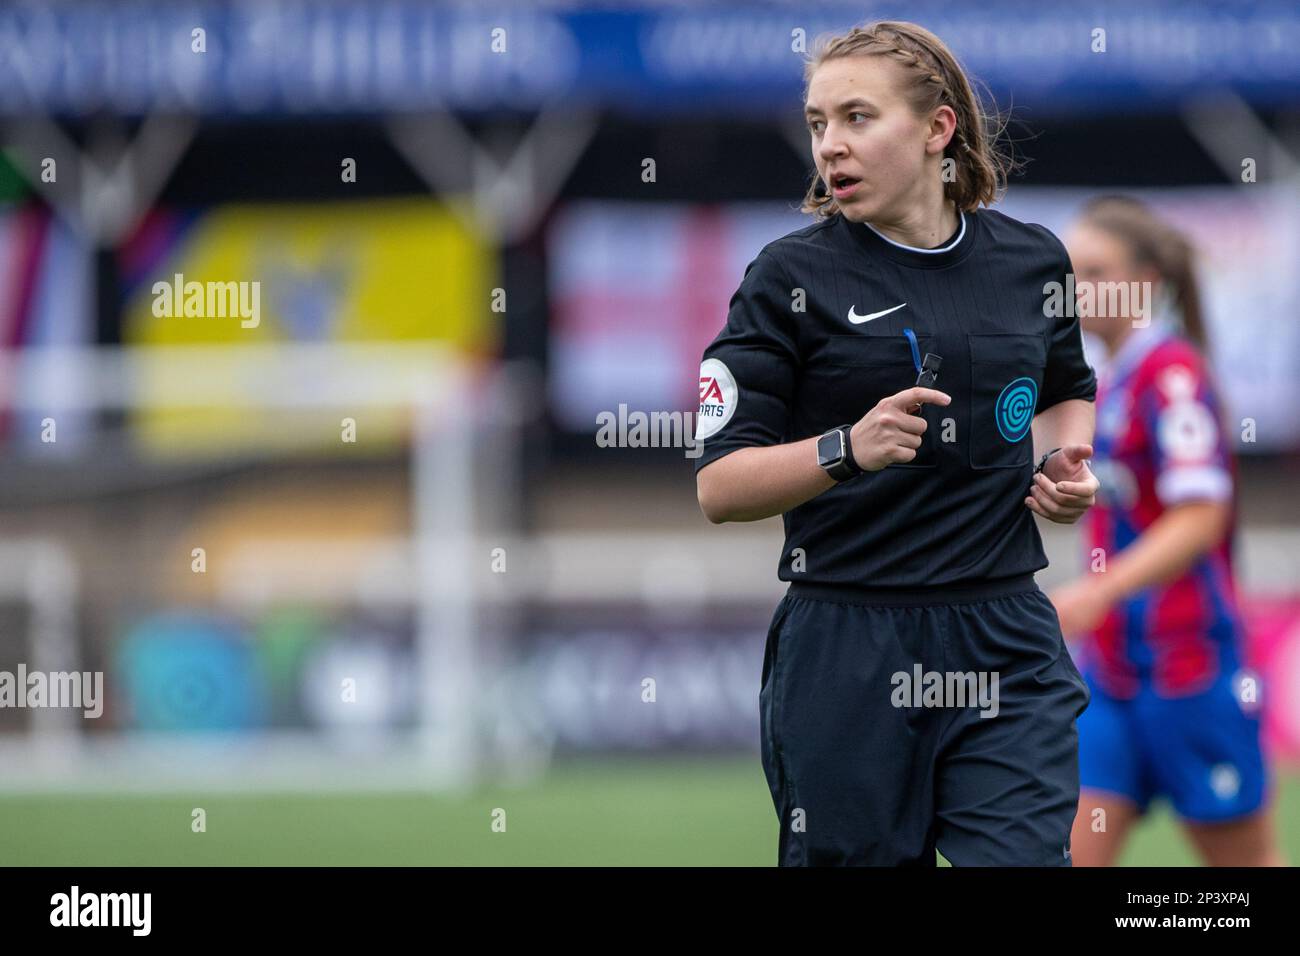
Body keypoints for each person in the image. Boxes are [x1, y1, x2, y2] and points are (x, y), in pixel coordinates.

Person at [693, 20, 1100, 866]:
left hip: (1005, 637)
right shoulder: (786, 280)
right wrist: (845, 447)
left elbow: (1068, 389)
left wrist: (1067, 464)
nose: (829, 146)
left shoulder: (1033, 262)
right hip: (848, 646)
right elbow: (719, 487)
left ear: (937, 130)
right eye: (817, 123)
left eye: (856, 118)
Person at [1052, 196, 1286, 866]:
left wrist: (1100, 590)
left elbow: (1201, 514)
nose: (1078, 291)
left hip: (1191, 670)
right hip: (1112, 673)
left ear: (1146, 279)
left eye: (1095, 272)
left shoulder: (1172, 376)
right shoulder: (1105, 382)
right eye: (1069, 275)